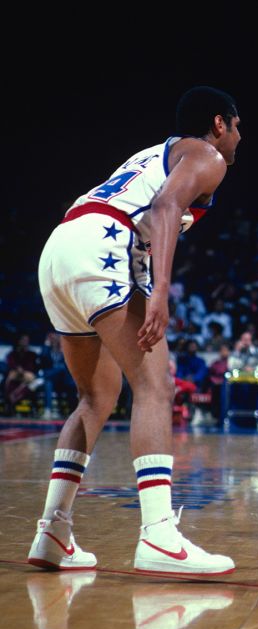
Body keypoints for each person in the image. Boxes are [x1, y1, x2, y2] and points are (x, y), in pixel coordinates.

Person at [28, 86, 239, 574]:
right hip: (102, 247)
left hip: (61, 246)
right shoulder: (207, 154)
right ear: (220, 123)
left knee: (96, 397)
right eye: (238, 126)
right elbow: (165, 209)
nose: (240, 138)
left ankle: (53, 531)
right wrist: (160, 291)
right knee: (155, 387)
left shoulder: (149, 155)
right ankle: (160, 535)